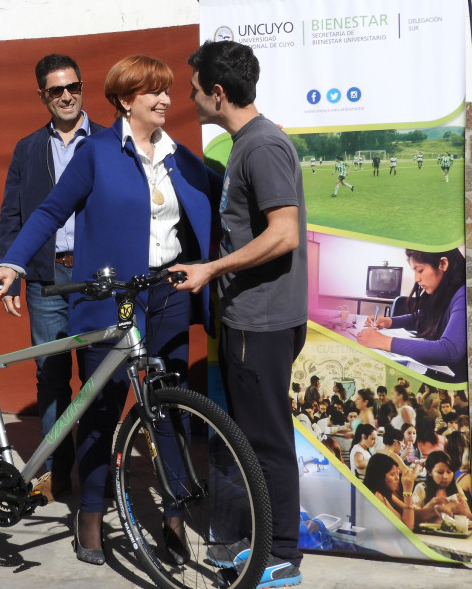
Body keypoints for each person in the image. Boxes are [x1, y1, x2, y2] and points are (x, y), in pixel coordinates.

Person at [0, 55, 217, 566]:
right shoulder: (98, 152)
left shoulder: (181, 156)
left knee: (168, 405)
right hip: (113, 298)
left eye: (168, 90)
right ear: (126, 100)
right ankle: (90, 512)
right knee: (101, 408)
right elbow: (49, 210)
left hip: (168, 292)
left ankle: (173, 517)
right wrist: (13, 264)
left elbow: (221, 206)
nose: (165, 100)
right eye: (153, 91)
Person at [173, 40, 307, 587]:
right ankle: (260, 542)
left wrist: (211, 269)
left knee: (268, 440)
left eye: (194, 88)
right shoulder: (245, 145)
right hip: (250, 320)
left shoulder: (262, 147)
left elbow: (285, 233)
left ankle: (281, 555)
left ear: (218, 92)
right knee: (250, 438)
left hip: (262, 323)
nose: (189, 96)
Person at [0, 54, 105, 501]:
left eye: (72, 87)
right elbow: (13, 215)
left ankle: (99, 479)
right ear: (42, 95)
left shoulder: (108, 141)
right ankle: (56, 474)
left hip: (96, 277)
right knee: (52, 377)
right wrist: (12, 273)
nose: (66, 96)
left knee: (101, 376)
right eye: (56, 90)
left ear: (82, 87)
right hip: (45, 279)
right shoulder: (27, 148)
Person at [357, 248, 467, 381]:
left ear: (442, 264)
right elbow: (423, 317)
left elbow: (449, 350)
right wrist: (389, 321)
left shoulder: (464, 294)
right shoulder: (446, 290)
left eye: (420, 270)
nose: (416, 279)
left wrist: (382, 341)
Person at [411, 450, 472, 524]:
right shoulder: (422, 488)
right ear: (430, 472)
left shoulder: (456, 488)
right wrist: (432, 508)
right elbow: (413, 517)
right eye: (440, 472)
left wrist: (461, 509)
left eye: (449, 472)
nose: (445, 476)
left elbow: (470, 519)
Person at [363, 453, 421, 531]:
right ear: (380, 476)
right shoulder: (376, 495)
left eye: (398, 474)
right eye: (393, 474)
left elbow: (408, 509)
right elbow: (406, 528)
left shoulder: (384, 494)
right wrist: (407, 491)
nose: (397, 478)